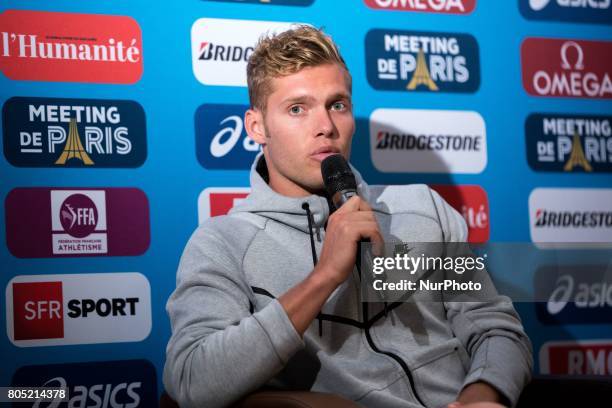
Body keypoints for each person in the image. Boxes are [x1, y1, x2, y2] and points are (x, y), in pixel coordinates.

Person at [163, 25, 533, 408]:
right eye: (297, 109)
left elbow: (494, 327)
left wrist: (481, 396)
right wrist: (323, 278)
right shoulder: (224, 242)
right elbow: (193, 382)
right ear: (257, 127)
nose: (325, 127)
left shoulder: (423, 208)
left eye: (337, 104)